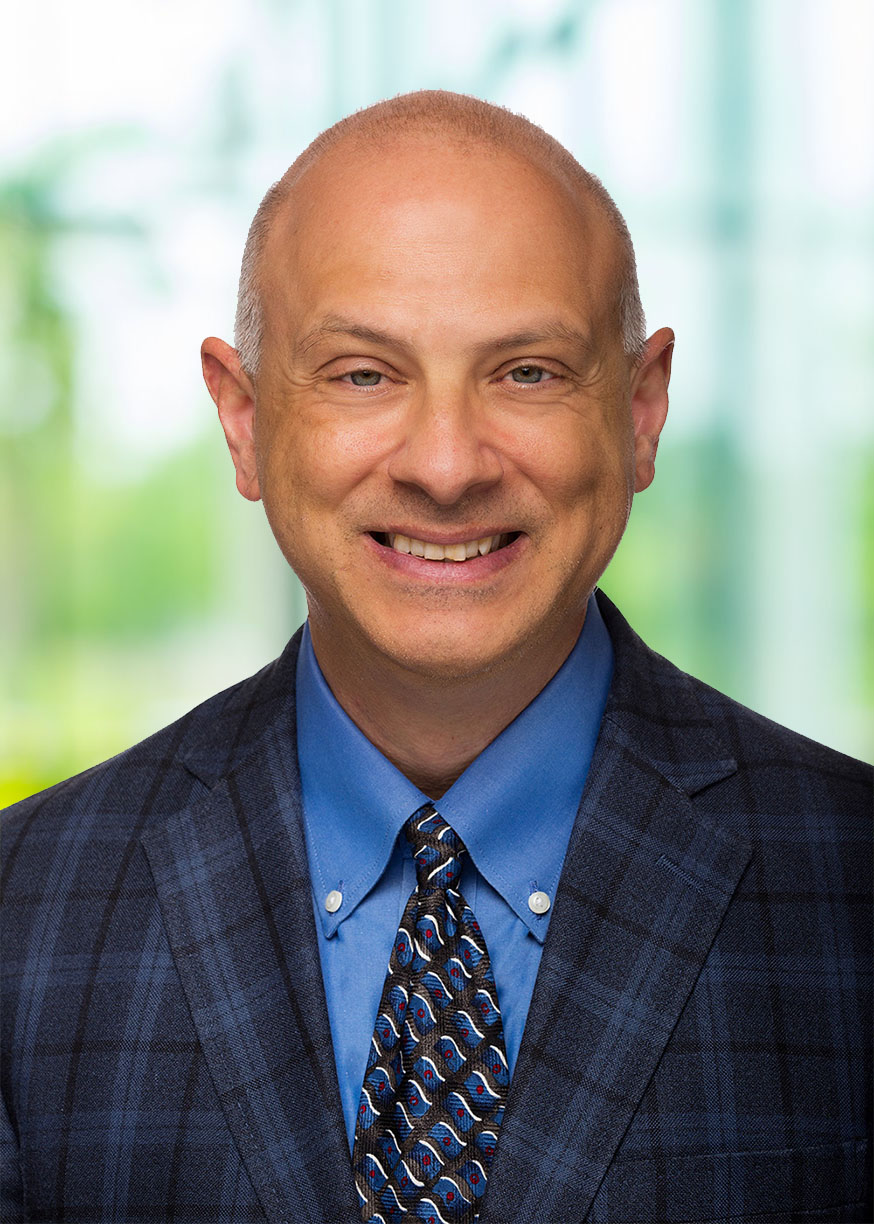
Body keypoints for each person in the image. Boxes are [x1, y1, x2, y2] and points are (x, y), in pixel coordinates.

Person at [2, 90, 870, 1224]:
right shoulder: (23, 909)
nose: (448, 466)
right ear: (244, 419)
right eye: (364, 374)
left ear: (642, 411)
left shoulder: (849, 877)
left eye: (528, 373)